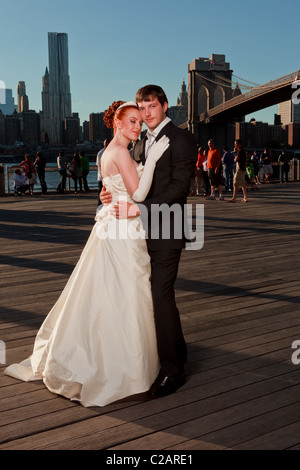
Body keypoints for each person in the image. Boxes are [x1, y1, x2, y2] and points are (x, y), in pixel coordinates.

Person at [4, 100, 170, 407]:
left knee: (103, 289)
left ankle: (101, 353)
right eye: (132, 121)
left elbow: (110, 188)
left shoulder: (106, 151)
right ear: (117, 124)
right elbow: (139, 194)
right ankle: (120, 365)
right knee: (126, 292)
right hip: (123, 228)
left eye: (139, 122)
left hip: (111, 225)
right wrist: (155, 162)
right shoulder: (121, 152)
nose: (138, 126)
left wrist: (113, 192)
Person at [100, 85, 198, 399]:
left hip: (167, 229)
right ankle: (177, 353)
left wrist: (139, 207)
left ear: (165, 106)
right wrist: (108, 194)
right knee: (149, 295)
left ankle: (173, 371)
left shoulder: (182, 139)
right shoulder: (140, 142)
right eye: (142, 108)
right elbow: (134, 184)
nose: (146, 113)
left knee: (160, 295)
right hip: (138, 232)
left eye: (152, 106)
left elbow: (180, 188)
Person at [96, 138, 111, 206]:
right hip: (102, 178)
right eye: (106, 143)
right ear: (104, 144)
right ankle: (99, 207)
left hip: (111, 178)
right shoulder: (100, 153)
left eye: (108, 143)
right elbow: (99, 166)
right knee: (101, 194)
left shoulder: (112, 151)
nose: (107, 144)